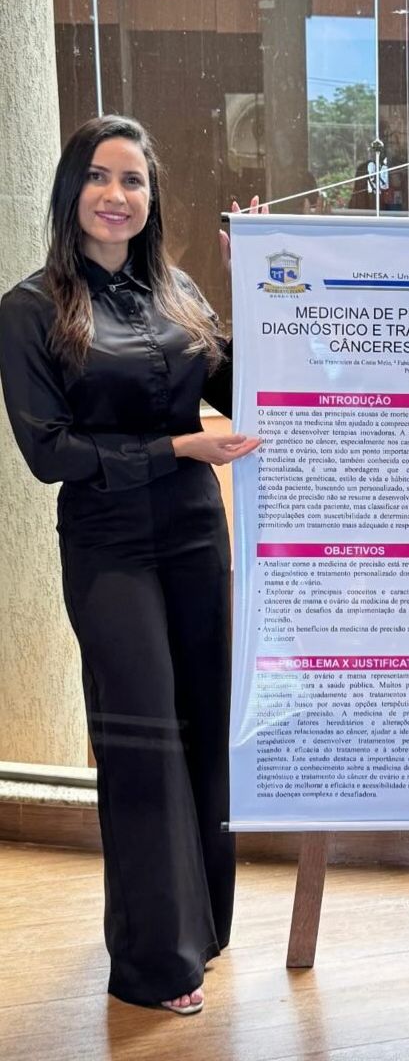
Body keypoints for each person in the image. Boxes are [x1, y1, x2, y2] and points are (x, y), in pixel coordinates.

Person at [0, 115, 263, 1015]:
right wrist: (176, 449)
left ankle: (202, 928)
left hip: (194, 533)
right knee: (141, 737)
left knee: (202, 724)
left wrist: (253, 277)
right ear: (71, 189)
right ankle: (156, 962)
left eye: (134, 181)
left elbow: (240, 388)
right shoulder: (29, 308)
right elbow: (50, 453)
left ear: (153, 197)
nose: (116, 196)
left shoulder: (179, 291)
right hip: (108, 543)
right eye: (100, 177)